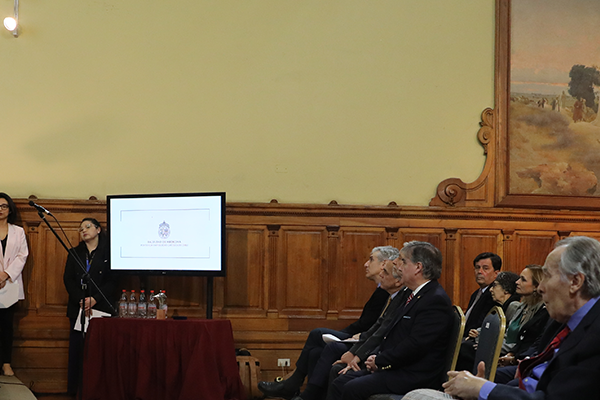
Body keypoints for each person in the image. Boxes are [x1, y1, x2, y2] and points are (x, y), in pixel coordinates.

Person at [405, 235, 600, 400]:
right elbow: (532, 378)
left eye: (547, 276)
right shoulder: (562, 320)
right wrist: (484, 386)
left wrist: (483, 389)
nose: (540, 288)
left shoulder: (594, 335)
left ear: (575, 281)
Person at [258, 246, 396, 400]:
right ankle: (303, 391)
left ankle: (298, 389)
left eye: (371, 259)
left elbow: (375, 327)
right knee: (315, 352)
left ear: (384, 264)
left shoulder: (390, 293)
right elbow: (373, 324)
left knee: (318, 335)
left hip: (367, 343)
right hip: (362, 337)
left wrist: (352, 339)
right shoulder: (383, 291)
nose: (365, 264)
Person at [329, 241, 453, 400]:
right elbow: (389, 329)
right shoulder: (413, 294)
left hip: (414, 374)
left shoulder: (434, 299)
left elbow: (416, 345)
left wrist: (380, 360)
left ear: (418, 267)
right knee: (341, 381)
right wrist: (375, 357)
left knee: (351, 387)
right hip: (398, 367)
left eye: (403, 261)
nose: (397, 264)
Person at [289, 252, 407, 400]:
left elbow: (381, 331)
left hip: (379, 353)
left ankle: (302, 392)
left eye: (385, 272)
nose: (381, 275)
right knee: (316, 353)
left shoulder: (401, 297)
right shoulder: (390, 294)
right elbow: (376, 326)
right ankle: (305, 392)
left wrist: (358, 354)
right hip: (367, 344)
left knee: (324, 342)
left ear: (398, 282)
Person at [457, 266, 548, 372]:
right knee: (464, 346)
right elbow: (506, 333)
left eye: (523, 279)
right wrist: (480, 336)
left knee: (466, 349)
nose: (517, 282)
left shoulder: (540, 312)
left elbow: (523, 342)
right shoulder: (522, 307)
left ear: (536, 286)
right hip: (504, 349)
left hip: (511, 354)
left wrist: (490, 345)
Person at [63, 218, 115, 395]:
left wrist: (95, 299)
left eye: (87, 227)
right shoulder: (75, 253)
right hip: (78, 308)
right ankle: (76, 391)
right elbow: (68, 280)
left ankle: (99, 391)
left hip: (101, 307)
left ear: (98, 230)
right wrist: (81, 299)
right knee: (78, 350)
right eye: (81, 229)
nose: (83, 230)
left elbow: (113, 281)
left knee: (99, 351)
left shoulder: (108, 253)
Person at [0, 193, 28, 377]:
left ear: (9, 210)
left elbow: (22, 255)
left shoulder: (18, 231)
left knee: (6, 325)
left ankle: (6, 363)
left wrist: (5, 274)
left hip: (9, 283)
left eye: (3, 206)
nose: (0, 209)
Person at [463, 253, 502, 335]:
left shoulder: (495, 296)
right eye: (477, 268)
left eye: (485, 268)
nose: (479, 272)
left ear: (496, 273)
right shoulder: (476, 294)